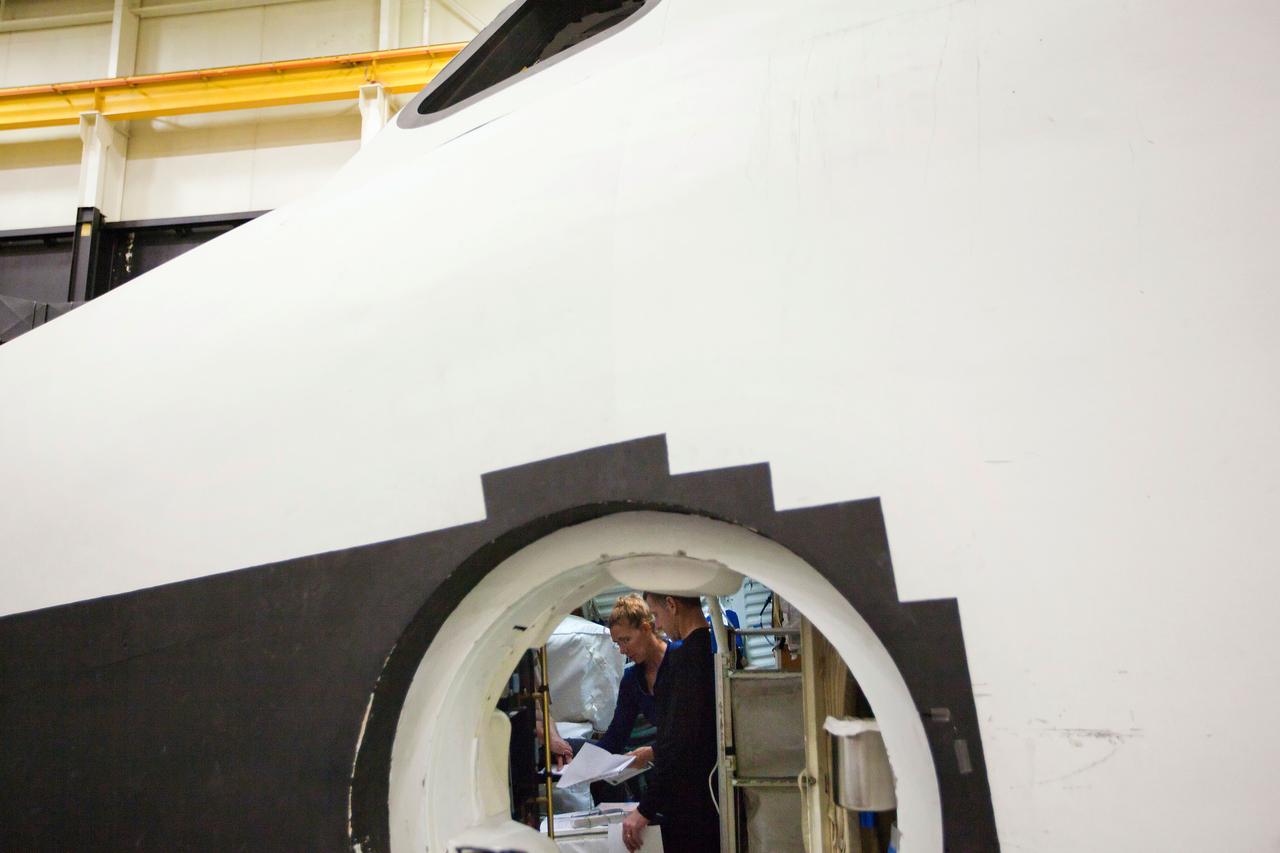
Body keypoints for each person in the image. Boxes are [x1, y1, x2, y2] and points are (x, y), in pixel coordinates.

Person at [621, 592, 719, 853]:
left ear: (672, 605)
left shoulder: (684, 660)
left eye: (656, 615)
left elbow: (678, 744)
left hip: (692, 808)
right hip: (710, 799)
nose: (659, 625)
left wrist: (644, 809)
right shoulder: (713, 649)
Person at [597, 594, 671, 766]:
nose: (622, 650)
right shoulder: (632, 679)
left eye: (626, 640)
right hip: (665, 761)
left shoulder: (678, 660)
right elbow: (616, 735)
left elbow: (692, 728)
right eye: (618, 644)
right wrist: (583, 765)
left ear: (646, 629)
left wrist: (652, 752)